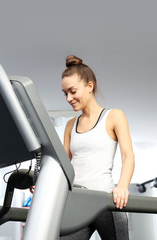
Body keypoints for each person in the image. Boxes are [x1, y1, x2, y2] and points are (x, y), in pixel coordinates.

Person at [60, 55, 135, 240]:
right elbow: (63, 167)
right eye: (65, 93)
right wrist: (45, 181)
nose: (68, 98)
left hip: (106, 201)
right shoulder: (70, 125)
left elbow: (128, 156)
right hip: (77, 202)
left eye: (72, 91)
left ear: (90, 86)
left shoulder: (114, 116)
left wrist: (123, 186)